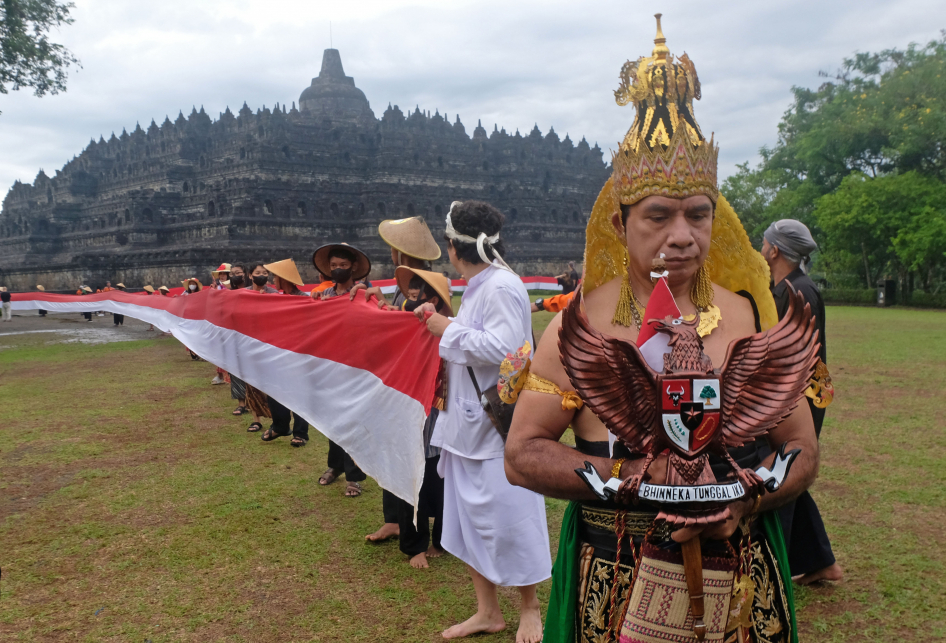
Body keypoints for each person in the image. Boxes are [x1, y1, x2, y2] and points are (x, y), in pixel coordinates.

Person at [504, 21, 814, 643]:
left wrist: (743, 502)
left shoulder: (752, 313)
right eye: (658, 215)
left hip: (741, 573)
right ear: (621, 226)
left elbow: (801, 449)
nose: (682, 234)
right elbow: (523, 453)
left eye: (698, 215)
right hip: (616, 573)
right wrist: (641, 482)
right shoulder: (582, 324)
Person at [415, 200, 549, 642]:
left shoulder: (500, 286)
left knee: (512, 517)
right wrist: (445, 322)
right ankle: (487, 610)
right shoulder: (479, 285)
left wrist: (445, 330)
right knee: (468, 522)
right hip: (464, 423)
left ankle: (529, 607)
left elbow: (507, 348)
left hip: (493, 426)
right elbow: (479, 337)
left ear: (456, 247)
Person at [349, 216, 442, 542]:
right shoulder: (407, 290)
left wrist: (384, 308)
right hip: (397, 383)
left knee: (414, 453)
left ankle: (416, 525)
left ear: (400, 252)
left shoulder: (431, 290)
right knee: (392, 447)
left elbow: (422, 327)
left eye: (393, 248)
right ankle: (394, 518)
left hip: (418, 389)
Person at [762, 219, 842, 586]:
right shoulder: (784, 287)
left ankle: (771, 568)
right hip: (792, 394)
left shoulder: (798, 292)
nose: (761, 248)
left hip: (800, 397)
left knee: (783, 469)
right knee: (788, 472)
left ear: (775, 250)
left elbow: (795, 358)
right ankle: (820, 562)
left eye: (764, 242)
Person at [395, 267, 452, 568]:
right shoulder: (407, 322)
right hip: (414, 409)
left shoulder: (455, 326)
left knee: (443, 478)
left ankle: (441, 539)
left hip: (445, 412)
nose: (417, 301)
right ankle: (414, 544)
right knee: (412, 475)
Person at [312, 243, 372, 497]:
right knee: (333, 419)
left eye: (343, 266)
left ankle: (354, 476)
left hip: (356, 366)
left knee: (353, 421)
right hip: (330, 365)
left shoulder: (363, 295)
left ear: (354, 267)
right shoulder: (323, 297)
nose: (338, 270)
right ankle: (334, 466)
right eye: (334, 266)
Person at [258, 259, 313, 448]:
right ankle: (280, 425)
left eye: (276, 277)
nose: (273, 280)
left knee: (298, 393)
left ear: (283, 279)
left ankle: (300, 433)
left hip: (298, 353)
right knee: (275, 388)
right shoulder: (279, 298)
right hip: (280, 352)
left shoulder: (303, 299)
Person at [242, 262, 278, 432]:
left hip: (268, 342)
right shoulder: (244, 294)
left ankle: (275, 418)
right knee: (250, 382)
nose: (261, 275)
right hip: (248, 342)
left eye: (264, 272)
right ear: (250, 275)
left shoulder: (274, 294)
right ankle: (256, 419)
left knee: (269, 382)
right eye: (258, 272)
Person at [226, 265, 249, 416]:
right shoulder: (229, 295)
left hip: (251, 336)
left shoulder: (253, 291)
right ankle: (241, 403)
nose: (236, 276)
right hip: (235, 336)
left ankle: (257, 401)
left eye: (238, 273)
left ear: (245, 274)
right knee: (236, 369)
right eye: (233, 274)